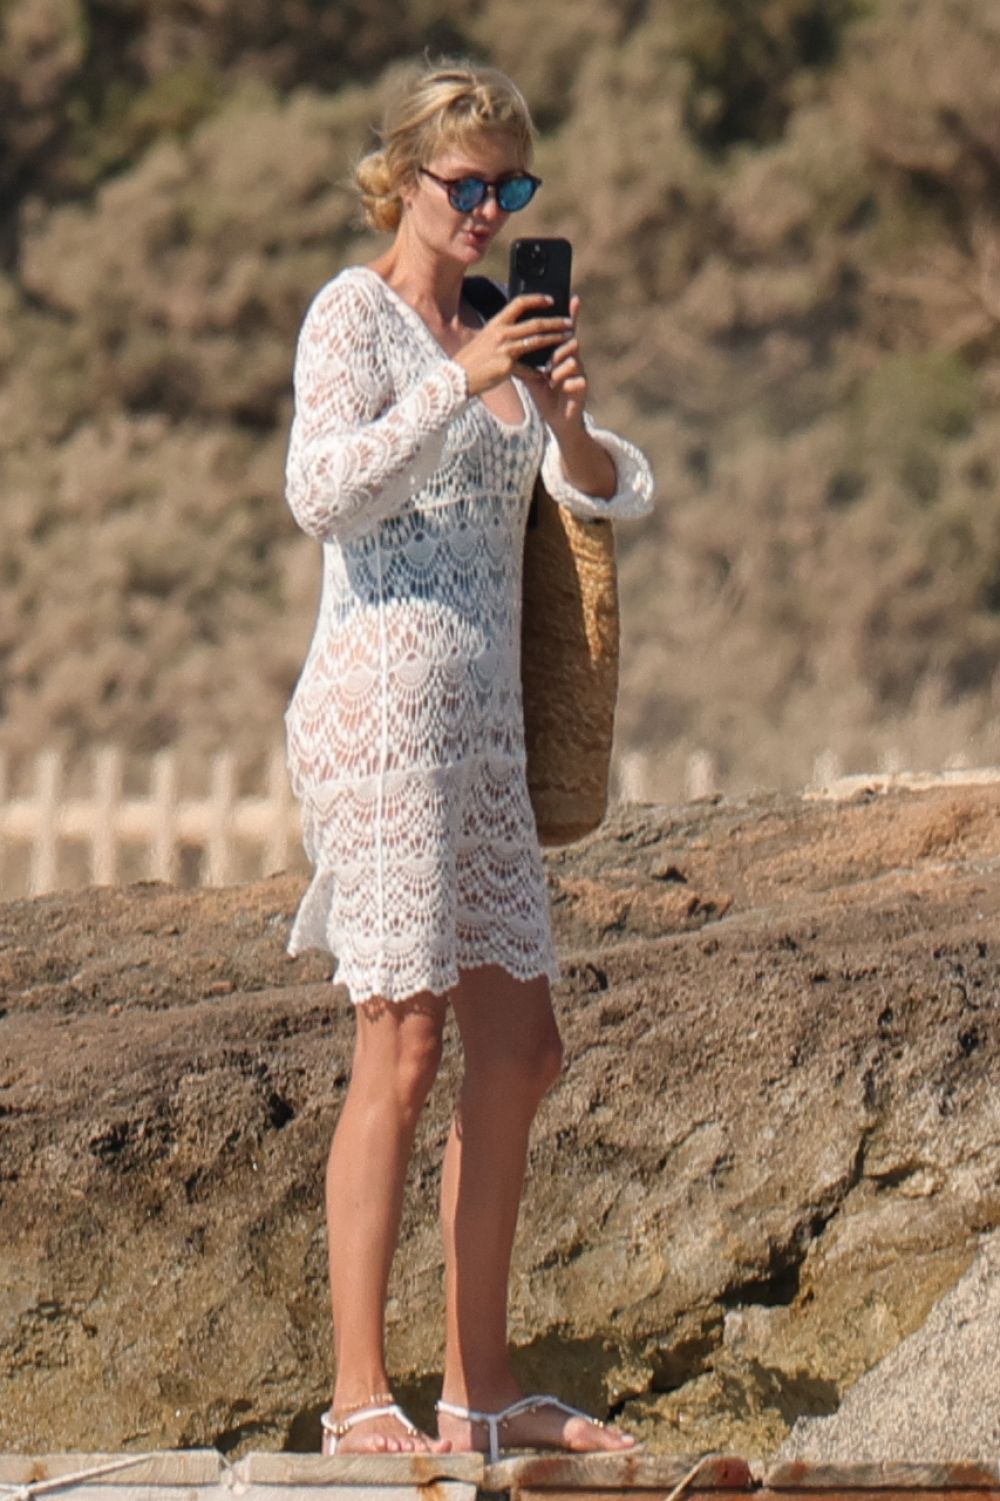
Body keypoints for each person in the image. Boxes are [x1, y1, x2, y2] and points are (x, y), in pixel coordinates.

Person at [282, 58, 654, 1458]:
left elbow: (606, 492)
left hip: (487, 731)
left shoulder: (500, 324)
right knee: (404, 1038)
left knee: (523, 1048)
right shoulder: (353, 313)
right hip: (381, 714)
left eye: (512, 185)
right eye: (468, 184)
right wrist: (459, 381)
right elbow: (321, 491)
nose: (491, 209)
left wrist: (562, 418)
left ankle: (480, 1392)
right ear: (404, 179)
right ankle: (357, 1396)